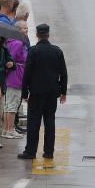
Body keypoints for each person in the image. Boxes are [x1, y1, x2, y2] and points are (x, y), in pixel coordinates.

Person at [19, 24, 68, 160]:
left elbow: (27, 74)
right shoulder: (57, 51)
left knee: (34, 122)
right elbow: (63, 73)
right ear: (48, 34)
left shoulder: (33, 51)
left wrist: (24, 93)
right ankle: (48, 152)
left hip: (36, 93)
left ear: (37, 35)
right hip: (52, 93)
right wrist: (63, 92)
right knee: (50, 122)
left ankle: (30, 151)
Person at [4, 21, 29, 139]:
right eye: (24, 28)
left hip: (13, 76)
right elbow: (11, 59)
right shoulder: (18, 43)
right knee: (13, 105)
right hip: (16, 76)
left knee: (9, 104)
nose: (26, 30)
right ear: (18, 30)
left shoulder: (12, 41)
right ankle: (10, 129)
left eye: (27, 28)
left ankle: (7, 129)